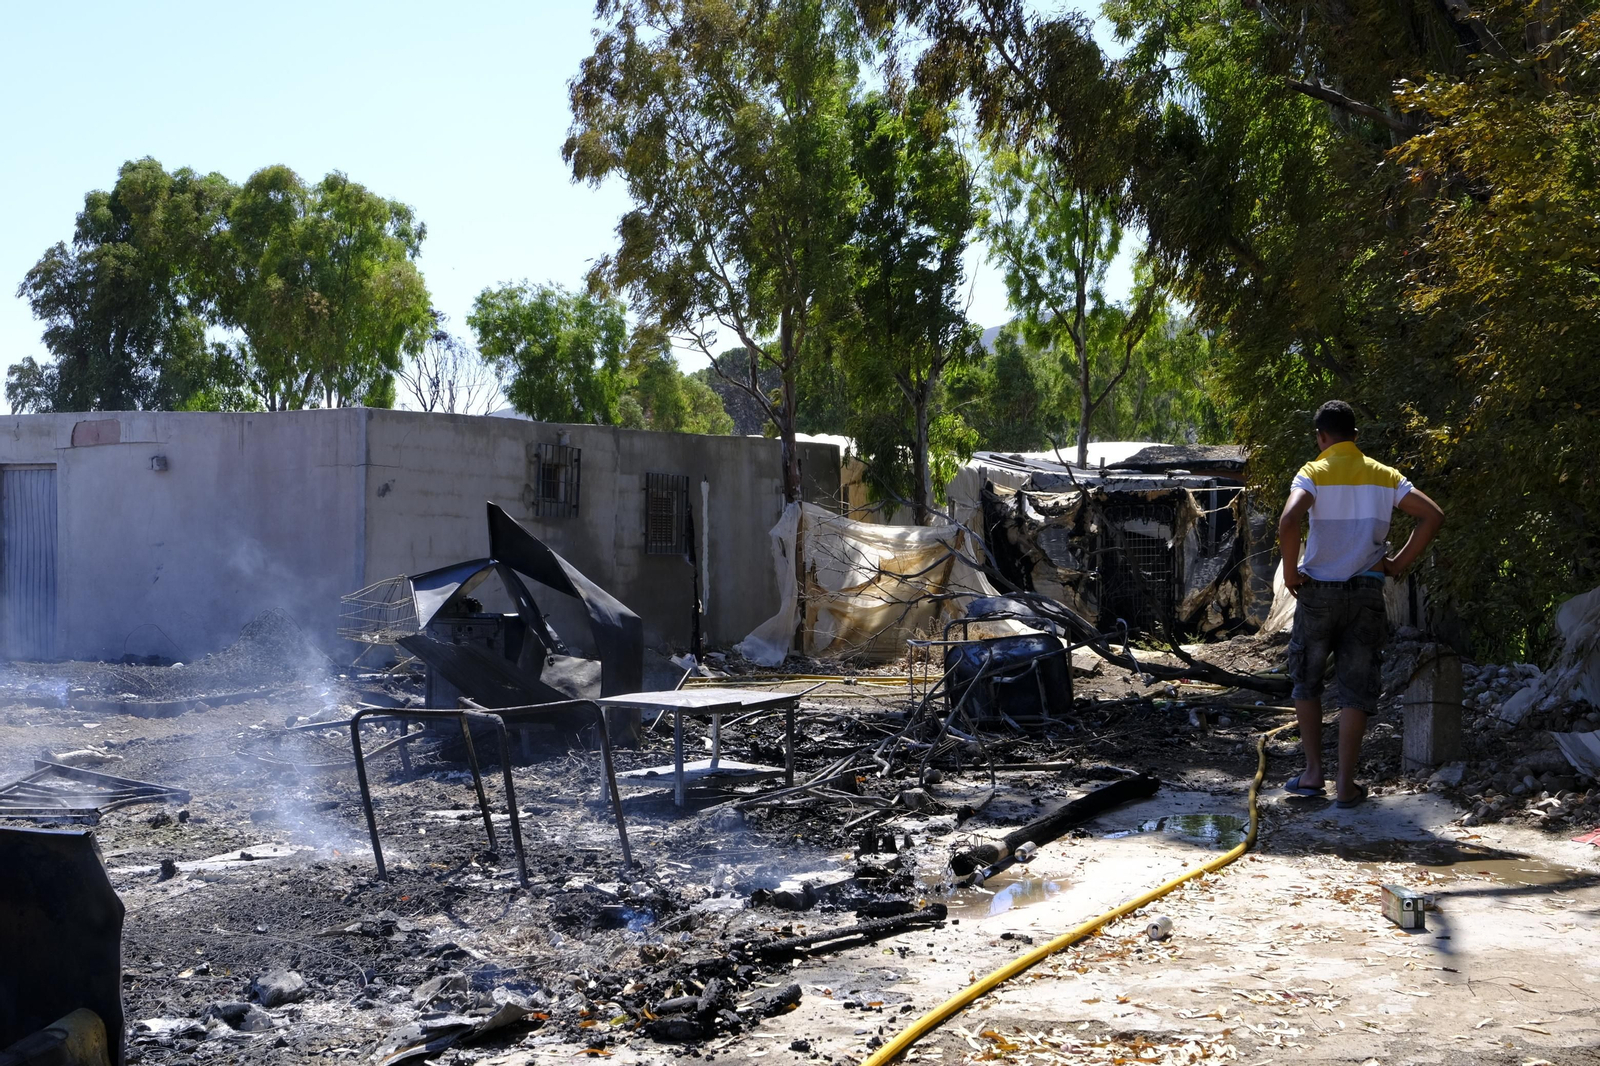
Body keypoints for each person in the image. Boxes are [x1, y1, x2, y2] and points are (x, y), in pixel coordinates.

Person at [1277, 400, 1444, 808]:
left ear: (1321, 437)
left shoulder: (1313, 472)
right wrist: (1398, 563)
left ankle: (1313, 774)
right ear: (1355, 436)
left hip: (1317, 593)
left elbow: (1288, 521)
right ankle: (1346, 785)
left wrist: (1290, 573)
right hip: (1367, 592)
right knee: (1356, 689)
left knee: (1307, 681)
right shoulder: (1383, 475)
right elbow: (1433, 515)